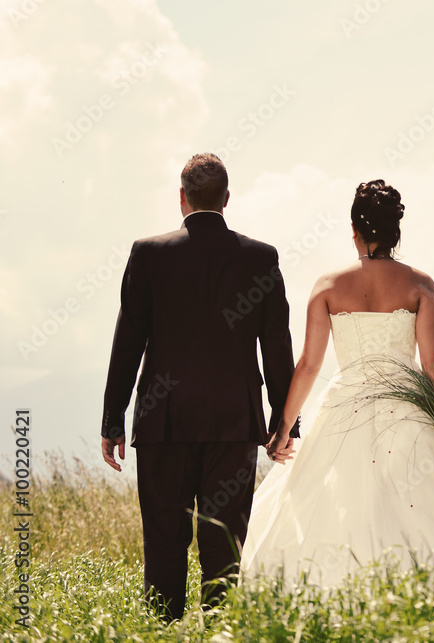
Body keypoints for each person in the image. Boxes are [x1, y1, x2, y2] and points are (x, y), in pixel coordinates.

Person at [240, 180, 434, 598]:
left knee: (340, 505)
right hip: (409, 410)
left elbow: (308, 365)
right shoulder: (420, 285)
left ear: (354, 229)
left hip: (345, 406)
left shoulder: (328, 286)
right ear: (396, 230)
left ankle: (341, 595)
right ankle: (430, 594)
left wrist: (284, 428)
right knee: (418, 505)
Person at [100, 153, 299, 621]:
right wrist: (285, 423)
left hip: (163, 422)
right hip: (235, 423)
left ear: (182, 197)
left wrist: (113, 420)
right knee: (224, 543)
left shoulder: (148, 253)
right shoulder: (260, 257)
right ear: (227, 198)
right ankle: (219, 632)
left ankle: (162, 630)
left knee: (164, 542)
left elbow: (128, 341)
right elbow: (276, 344)